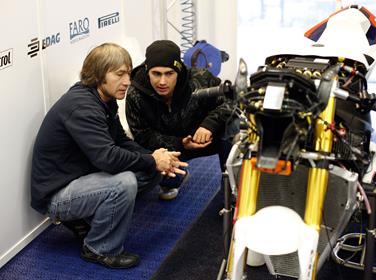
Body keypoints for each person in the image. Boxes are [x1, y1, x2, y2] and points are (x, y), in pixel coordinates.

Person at [30, 43, 187, 269]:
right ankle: (99, 248)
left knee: (148, 170)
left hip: (80, 180)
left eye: (128, 74)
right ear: (98, 75)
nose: (127, 81)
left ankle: (86, 221)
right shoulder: (82, 106)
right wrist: (153, 159)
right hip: (57, 196)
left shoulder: (104, 98)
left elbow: (120, 141)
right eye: (119, 74)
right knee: (125, 182)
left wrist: (154, 157)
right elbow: (107, 158)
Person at [125, 40, 237, 201]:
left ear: (178, 71)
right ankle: (171, 180)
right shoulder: (135, 93)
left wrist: (209, 125)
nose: (162, 81)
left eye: (169, 73)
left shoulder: (200, 79)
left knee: (233, 126)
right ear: (147, 71)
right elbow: (143, 136)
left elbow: (231, 102)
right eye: (156, 74)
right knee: (142, 169)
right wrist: (180, 143)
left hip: (203, 138)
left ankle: (230, 187)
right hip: (170, 148)